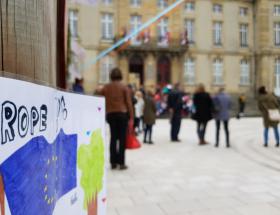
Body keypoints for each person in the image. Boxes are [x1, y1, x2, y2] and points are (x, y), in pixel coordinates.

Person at [99, 68, 134, 170]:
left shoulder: (105, 87)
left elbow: (100, 99)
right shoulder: (124, 87)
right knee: (122, 139)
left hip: (110, 114)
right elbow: (128, 103)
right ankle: (121, 163)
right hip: (122, 114)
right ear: (120, 76)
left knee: (113, 138)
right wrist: (131, 116)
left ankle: (113, 162)